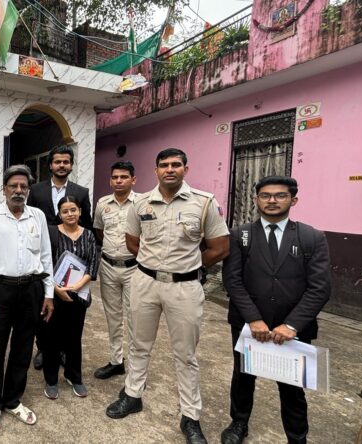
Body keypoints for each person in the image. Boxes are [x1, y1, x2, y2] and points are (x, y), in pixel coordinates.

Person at [106, 148, 229, 444]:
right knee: (138, 344)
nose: (169, 169)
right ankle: (133, 395)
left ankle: (190, 416)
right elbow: (133, 241)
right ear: (156, 170)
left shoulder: (203, 203)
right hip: (145, 282)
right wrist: (154, 265)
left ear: (186, 168)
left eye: (176, 165)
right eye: (164, 165)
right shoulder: (142, 203)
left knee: (185, 354)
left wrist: (186, 267)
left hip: (184, 288)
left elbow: (220, 247)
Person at [221, 176, 331, 444]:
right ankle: (238, 423)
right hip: (249, 325)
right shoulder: (240, 235)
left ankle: (297, 437)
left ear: (293, 200)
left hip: (292, 328)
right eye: (266, 195)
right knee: (243, 376)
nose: (272, 201)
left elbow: (320, 288)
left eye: (280, 195)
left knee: (292, 386)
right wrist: (254, 319)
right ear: (256, 199)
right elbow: (232, 281)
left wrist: (292, 325)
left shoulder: (311, 237)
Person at [0, 164, 54, 434]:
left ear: (28, 190)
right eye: (14, 186)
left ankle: (12, 400)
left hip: (31, 290)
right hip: (0, 290)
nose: (19, 191)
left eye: (24, 186)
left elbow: (46, 257)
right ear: (4, 189)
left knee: (23, 348)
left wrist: (48, 293)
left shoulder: (38, 216)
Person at [26, 144, 92, 370]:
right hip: (43, 253)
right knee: (44, 302)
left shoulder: (81, 192)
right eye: (57, 162)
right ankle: (43, 347)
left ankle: (63, 349)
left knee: (68, 304)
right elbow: (29, 221)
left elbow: (87, 224)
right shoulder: (35, 190)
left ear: (71, 165)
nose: (61, 165)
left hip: (70, 257)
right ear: (50, 165)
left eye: (66, 162)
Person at [42, 196, 99, 399]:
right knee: (52, 338)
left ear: (80, 211)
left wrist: (77, 286)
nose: (70, 214)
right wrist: (57, 289)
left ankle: (74, 377)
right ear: (59, 214)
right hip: (54, 295)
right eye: (65, 211)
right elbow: (44, 262)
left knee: (74, 337)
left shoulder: (89, 235)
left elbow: (93, 264)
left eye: (73, 210)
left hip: (79, 293)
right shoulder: (51, 233)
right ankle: (50, 379)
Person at [92, 161, 138, 381]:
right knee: (113, 317)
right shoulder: (102, 204)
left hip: (134, 269)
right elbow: (99, 231)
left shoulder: (142, 203)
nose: (119, 181)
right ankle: (116, 362)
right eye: (115, 177)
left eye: (124, 177)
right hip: (108, 267)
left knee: (136, 318)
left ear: (133, 179)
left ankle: (137, 371)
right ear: (110, 180)